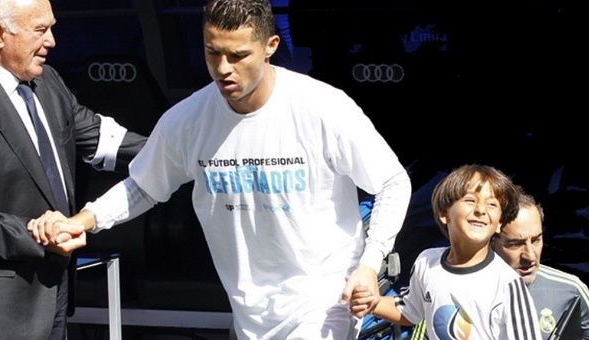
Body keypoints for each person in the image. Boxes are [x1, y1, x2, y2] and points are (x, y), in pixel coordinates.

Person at [29, 0, 412, 338]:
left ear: (271, 48)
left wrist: (368, 264)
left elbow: (393, 182)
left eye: (238, 55)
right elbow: (144, 186)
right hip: (248, 310)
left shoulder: (323, 108)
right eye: (213, 53)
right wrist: (84, 220)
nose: (223, 69)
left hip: (325, 301)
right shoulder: (188, 119)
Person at [0, 0, 146, 339]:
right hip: (0, 308)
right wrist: (32, 236)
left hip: (55, 296)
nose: (53, 41)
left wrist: (180, 155)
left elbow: (98, 137)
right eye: (40, 30)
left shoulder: (47, 84)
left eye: (52, 27)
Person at [350, 164, 541, 339]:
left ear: (500, 222)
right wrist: (372, 303)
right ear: (444, 213)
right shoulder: (427, 262)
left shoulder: (507, 284)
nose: (481, 210)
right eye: (470, 200)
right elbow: (409, 310)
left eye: (492, 204)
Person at [492, 191, 589, 339]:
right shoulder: (462, 291)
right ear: (490, 242)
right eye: (515, 244)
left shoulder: (571, 290)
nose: (530, 256)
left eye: (536, 240)